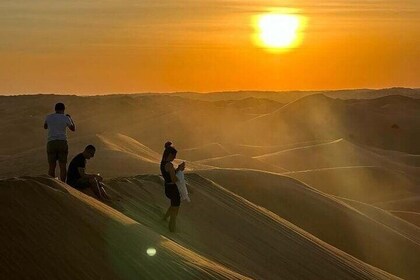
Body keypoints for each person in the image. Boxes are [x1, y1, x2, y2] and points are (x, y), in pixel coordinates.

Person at [44, 102, 75, 181]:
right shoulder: (65, 118)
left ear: (55, 109)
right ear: (63, 109)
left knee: (51, 166)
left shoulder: (49, 117)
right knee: (62, 166)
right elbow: (73, 129)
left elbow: (45, 127)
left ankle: (52, 183)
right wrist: (70, 118)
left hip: (51, 142)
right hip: (62, 142)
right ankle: (63, 184)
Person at [160, 141, 185, 232]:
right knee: (175, 211)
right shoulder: (169, 165)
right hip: (173, 189)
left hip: (168, 188)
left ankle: (164, 219)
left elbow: (170, 176)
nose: (175, 158)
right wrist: (180, 171)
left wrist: (178, 168)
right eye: (174, 156)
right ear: (170, 154)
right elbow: (174, 179)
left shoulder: (163, 163)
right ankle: (172, 230)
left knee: (172, 206)